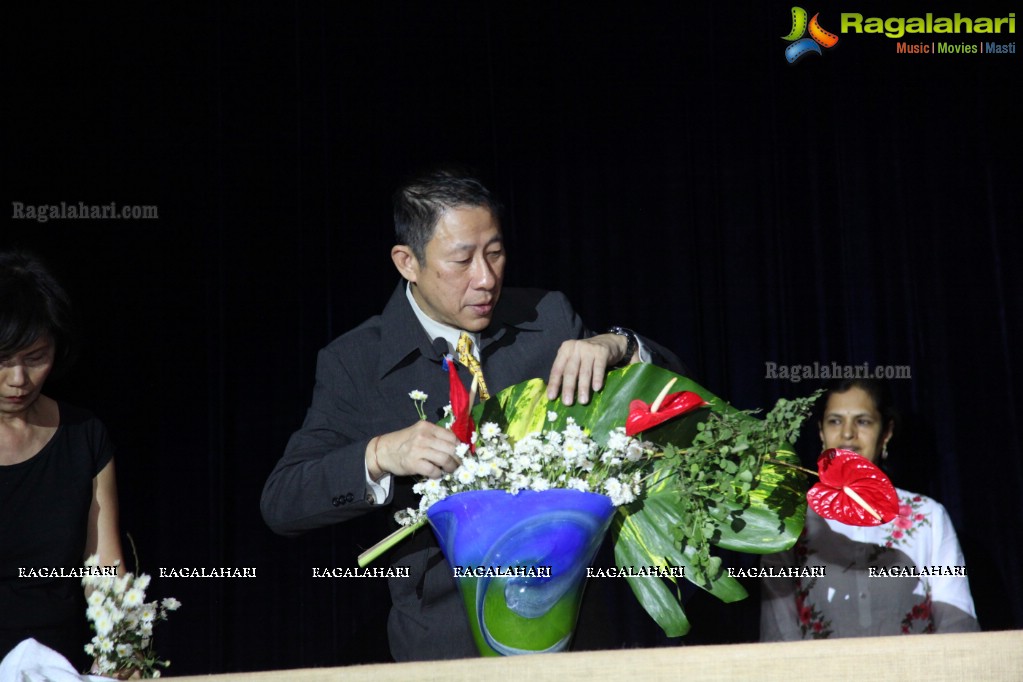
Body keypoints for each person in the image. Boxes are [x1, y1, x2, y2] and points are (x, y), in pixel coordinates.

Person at [260, 168, 683, 661]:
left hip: (578, 636)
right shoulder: (355, 362)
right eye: (462, 260)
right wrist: (380, 454)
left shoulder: (547, 320)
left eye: (495, 253)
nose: (485, 278)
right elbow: (282, 501)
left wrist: (619, 344)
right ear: (407, 263)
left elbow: (676, 395)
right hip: (443, 648)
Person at [760, 378, 979, 639]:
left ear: (886, 433)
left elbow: (956, 623)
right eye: (835, 421)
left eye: (863, 421)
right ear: (820, 432)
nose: (848, 433)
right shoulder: (790, 519)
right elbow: (779, 631)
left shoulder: (928, 517)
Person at [0, 252, 125, 669]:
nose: (18, 380)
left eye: (35, 358)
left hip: (57, 663)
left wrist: (120, 648)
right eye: (2, 360)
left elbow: (103, 565)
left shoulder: (84, 434)